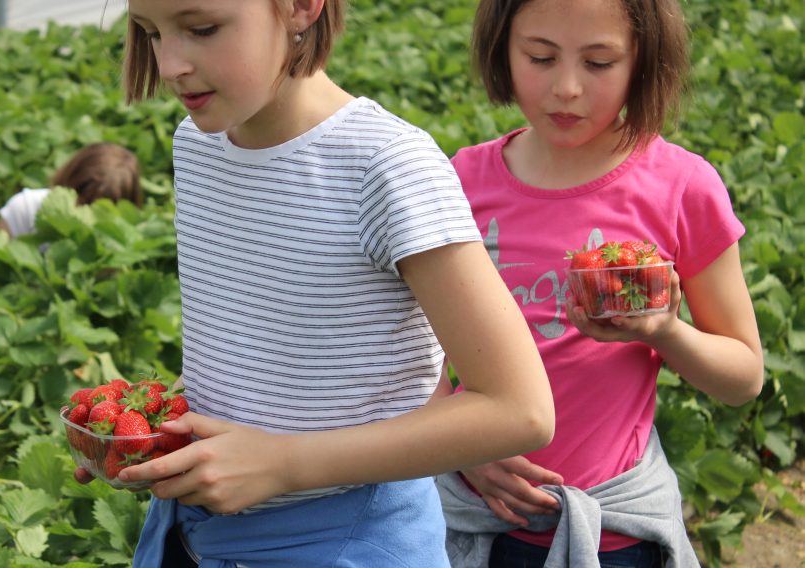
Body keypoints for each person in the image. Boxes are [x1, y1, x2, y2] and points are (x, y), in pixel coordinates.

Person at [92, 1, 557, 565]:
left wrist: (284, 464)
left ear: (299, 7)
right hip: (194, 532)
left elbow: (519, 409)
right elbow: (250, 345)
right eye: (149, 33)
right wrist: (147, 434)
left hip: (348, 538)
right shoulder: (197, 144)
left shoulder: (385, 166)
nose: (169, 64)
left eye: (201, 29)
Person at [435, 0, 764, 566]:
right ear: (502, 51)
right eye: (540, 57)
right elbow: (415, 366)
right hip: (475, 521)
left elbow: (744, 377)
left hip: (615, 530)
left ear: (643, 62)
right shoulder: (459, 182)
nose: (566, 88)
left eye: (599, 63)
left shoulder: (681, 188)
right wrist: (463, 452)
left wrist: (665, 332)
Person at [0, 141, 143, 238]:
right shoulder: (26, 208)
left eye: (99, 211)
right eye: (81, 202)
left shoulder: (116, 242)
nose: (85, 214)